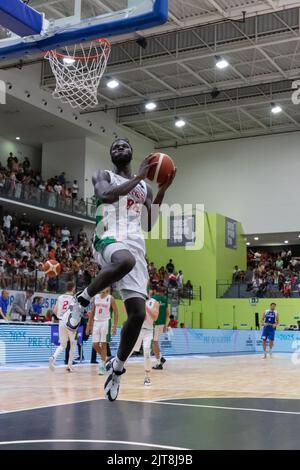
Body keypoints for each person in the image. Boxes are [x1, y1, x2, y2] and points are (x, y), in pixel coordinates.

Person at [66, 137, 176, 401]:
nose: (119, 149)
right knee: (123, 261)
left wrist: (162, 190)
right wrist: (139, 176)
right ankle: (82, 300)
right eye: (114, 146)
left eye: (124, 146)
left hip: (136, 244)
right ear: (111, 154)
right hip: (109, 235)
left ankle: (116, 368)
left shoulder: (145, 190)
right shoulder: (103, 175)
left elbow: (149, 223)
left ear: (132, 152)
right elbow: (105, 195)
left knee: (137, 315)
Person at [86, 288, 118, 375]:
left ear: (107, 288)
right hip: (96, 322)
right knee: (95, 344)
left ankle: (102, 365)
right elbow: (92, 312)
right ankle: (108, 359)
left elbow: (116, 312)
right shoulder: (96, 297)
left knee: (104, 344)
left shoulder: (110, 298)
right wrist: (89, 324)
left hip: (106, 322)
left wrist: (114, 326)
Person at [49, 282, 78, 372]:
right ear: (73, 288)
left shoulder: (60, 297)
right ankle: (69, 365)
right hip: (70, 323)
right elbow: (75, 312)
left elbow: (54, 310)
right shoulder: (74, 298)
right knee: (73, 344)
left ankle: (53, 357)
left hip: (61, 322)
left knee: (62, 345)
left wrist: (61, 316)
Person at [131, 296, 159, 386]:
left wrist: (145, 307)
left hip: (149, 330)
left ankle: (147, 376)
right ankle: (117, 370)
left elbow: (155, 317)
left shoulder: (154, 302)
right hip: (138, 329)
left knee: (147, 351)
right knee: (130, 350)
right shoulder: (138, 300)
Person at [152, 287, 170, 370]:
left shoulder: (153, 298)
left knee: (154, 343)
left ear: (155, 291)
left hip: (155, 324)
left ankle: (159, 362)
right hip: (162, 324)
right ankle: (161, 358)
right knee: (155, 342)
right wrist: (166, 325)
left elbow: (151, 311)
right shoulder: (165, 300)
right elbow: (168, 314)